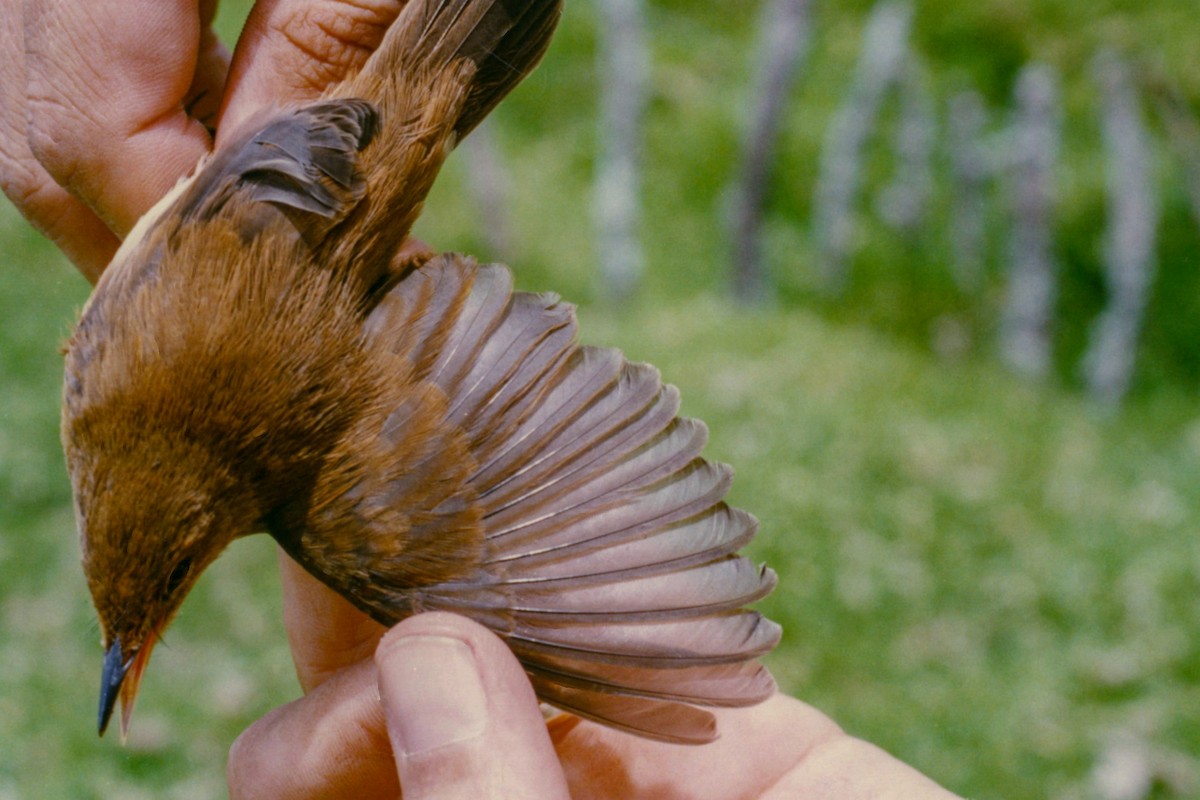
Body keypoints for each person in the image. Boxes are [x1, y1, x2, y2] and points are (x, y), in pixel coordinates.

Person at [0, 3, 961, 797]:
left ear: (192, 545)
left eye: (155, 600)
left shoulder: (322, 502)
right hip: (314, 147)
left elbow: (522, 547)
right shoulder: (97, 383)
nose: (136, 642)